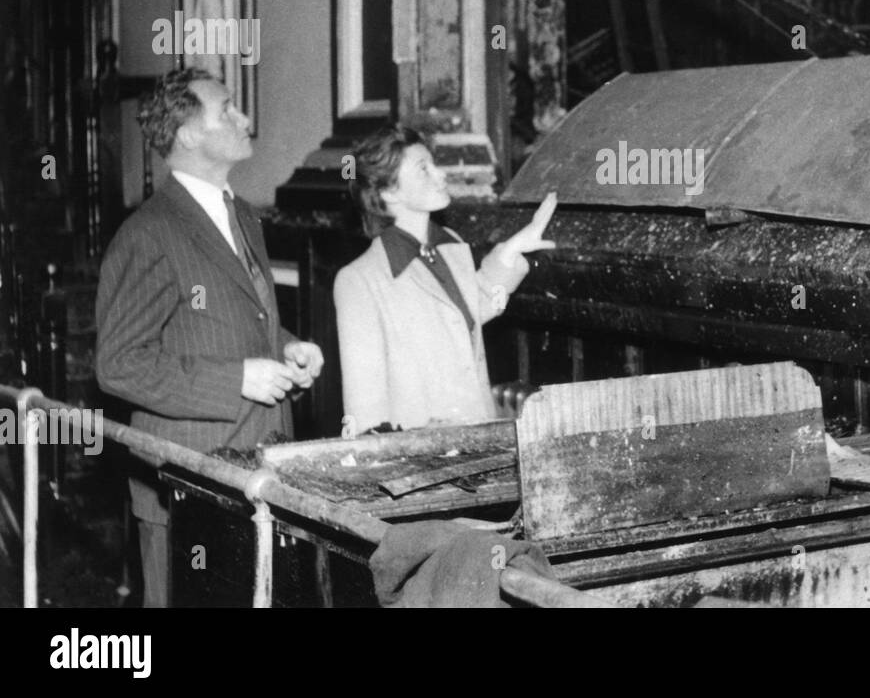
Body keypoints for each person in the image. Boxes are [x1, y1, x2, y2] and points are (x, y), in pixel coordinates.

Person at [96, 68, 324, 607]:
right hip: (189, 485)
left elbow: (225, 317)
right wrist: (238, 379)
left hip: (259, 474)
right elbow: (118, 364)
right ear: (188, 133)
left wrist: (286, 345)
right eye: (228, 110)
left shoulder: (241, 214)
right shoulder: (149, 232)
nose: (245, 120)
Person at [334, 126, 555, 434]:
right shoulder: (359, 280)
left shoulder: (449, 245)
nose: (441, 175)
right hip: (421, 458)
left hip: (479, 437)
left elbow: (468, 312)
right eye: (424, 169)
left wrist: (510, 251)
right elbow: (364, 406)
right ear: (388, 192)